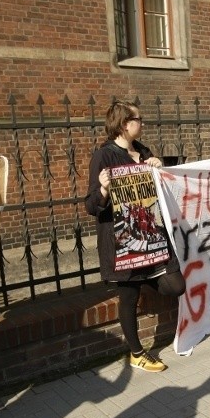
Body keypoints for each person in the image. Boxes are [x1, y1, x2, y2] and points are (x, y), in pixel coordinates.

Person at [85, 100, 185, 373]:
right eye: (138, 119)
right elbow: (91, 205)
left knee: (175, 285)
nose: (142, 123)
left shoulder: (143, 151)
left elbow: (160, 192)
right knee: (128, 297)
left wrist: (158, 167)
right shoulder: (104, 156)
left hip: (151, 236)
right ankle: (137, 353)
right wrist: (104, 190)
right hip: (123, 242)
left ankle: (146, 277)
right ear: (124, 124)